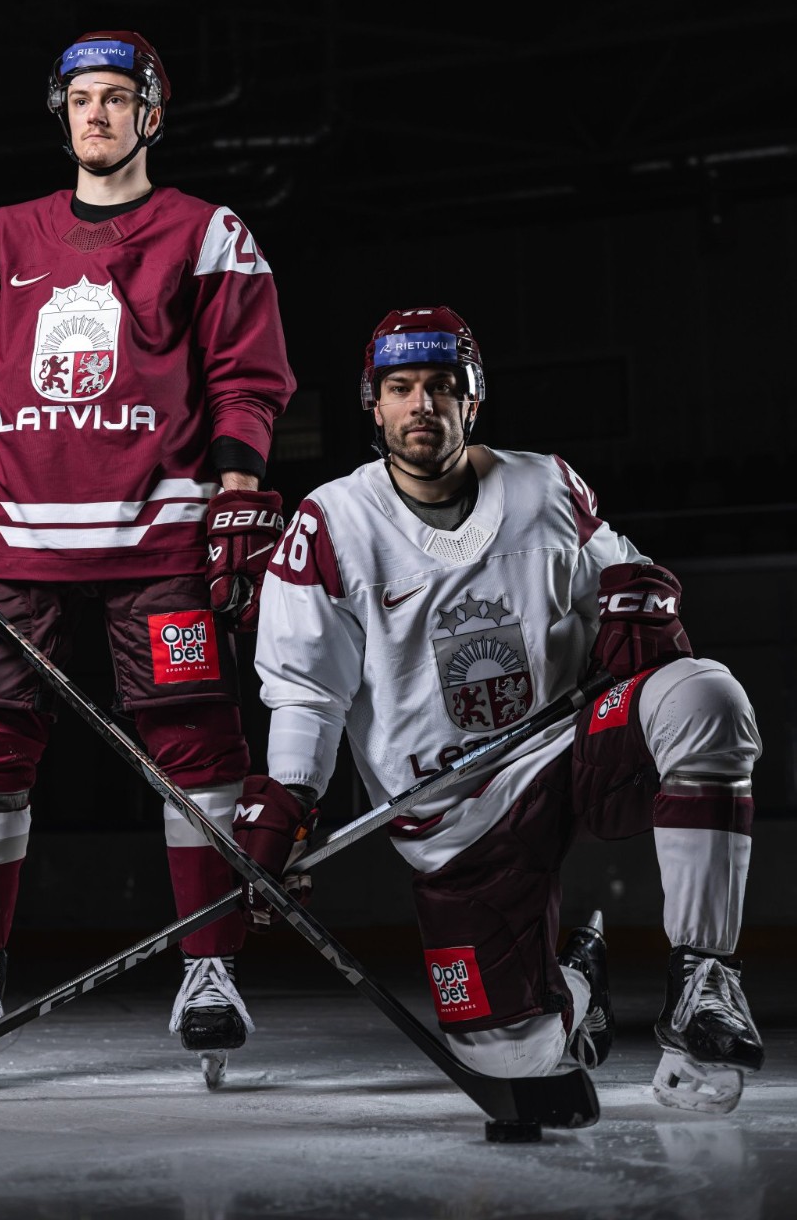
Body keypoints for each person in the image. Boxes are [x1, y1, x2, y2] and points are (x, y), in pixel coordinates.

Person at [0, 30, 295, 1087]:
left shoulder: (209, 232)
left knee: (196, 745)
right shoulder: (1, 234)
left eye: (116, 97)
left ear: (151, 113)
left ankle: (208, 970)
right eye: (80, 99)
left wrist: (237, 491)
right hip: (13, 539)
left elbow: (246, 378)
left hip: (158, 534)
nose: (96, 115)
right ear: (59, 114)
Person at [234, 305, 764, 1116]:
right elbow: (309, 688)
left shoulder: (545, 483)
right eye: (400, 388)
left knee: (704, 696)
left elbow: (622, 573)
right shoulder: (331, 521)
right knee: (514, 1055)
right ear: (372, 405)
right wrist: (291, 797)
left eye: (441, 386)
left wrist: (641, 603)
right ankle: (574, 989)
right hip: (453, 819)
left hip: (571, 745)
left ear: (472, 397)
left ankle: (704, 980)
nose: (421, 405)